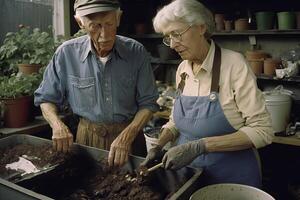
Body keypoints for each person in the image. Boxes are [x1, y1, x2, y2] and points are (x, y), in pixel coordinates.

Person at [141, 0, 273, 188]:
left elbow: (262, 131)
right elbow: (176, 121)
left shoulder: (234, 65)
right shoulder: (182, 70)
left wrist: (199, 146)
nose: (172, 44)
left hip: (231, 177)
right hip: (191, 174)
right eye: (167, 37)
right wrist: (159, 144)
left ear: (201, 27)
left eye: (176, 34)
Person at [34, 0, 159, 167]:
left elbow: (148, 103)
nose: (105, 34)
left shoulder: (136, 52)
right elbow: (46, 98)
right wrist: (57, 125)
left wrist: (127, 136)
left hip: (130, 138)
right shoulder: (66, 54)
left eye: (109, 24)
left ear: (118, 18)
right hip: (87, 140)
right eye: (95, 26)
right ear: (80, 23)